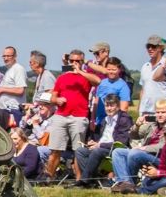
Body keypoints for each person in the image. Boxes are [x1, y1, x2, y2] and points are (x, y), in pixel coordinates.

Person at [45, 49, 97, 180]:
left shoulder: (85, 76)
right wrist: (56, 100)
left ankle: (79, 180)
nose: (74, 63)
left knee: (78, 151)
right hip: (61, 115)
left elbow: (97, 81)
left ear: (82, 62)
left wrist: (80, 71)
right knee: (55, 149)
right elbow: (52, 96)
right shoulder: (62, 77)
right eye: (71, 61)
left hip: (79, 116)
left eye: (77, 61)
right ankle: (48, 178)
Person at [69, 94, 132, 188]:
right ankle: (93, 180)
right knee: (80, 151)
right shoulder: (105, 120)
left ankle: (84, 181)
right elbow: (98, 137)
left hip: (114, 150)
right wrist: (92, 142)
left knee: (97, 151)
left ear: (118, 106)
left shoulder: (124, 119)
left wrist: (99, 145)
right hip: (101, 148)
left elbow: (121, 143)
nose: (109, 108)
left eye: (112, 105)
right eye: (107, 105)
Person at [110, 99, 166, 193]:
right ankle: (126, 183)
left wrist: (143, 148)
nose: (159, 115)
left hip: (161, 159)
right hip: (145, 154)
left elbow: (164, 145)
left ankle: (129, 184)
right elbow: (133, 135)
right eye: (157, 112)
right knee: (118, 152)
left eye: (163, 112)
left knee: (134, 153)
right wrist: (137, 125)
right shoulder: (153, 125)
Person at [139, 35, 166, 116]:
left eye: (153, 46)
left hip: (162, 113)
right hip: (145, 113)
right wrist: (140, 110)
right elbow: (143, 90)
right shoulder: (145, 66)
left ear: (160, 48)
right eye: (148, 46)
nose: (150, 49)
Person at [93, 57, 131, 126]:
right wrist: (92, 120)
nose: (111, 72)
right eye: (109, 69)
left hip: (114, 123)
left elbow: (124, 108)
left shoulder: (123, 86)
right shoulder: (102, 83)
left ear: (119, 70)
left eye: (114, 70)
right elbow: (96, 102)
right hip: (99, 122)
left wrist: (119, 124)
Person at [0, 46, 27, 123]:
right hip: (5, 110)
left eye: (8, 56)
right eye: (4, 56)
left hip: (13, 111)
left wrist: (2, 89)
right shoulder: (9, 70)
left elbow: (20, 90)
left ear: (15, 56)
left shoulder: (18, 69)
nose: (6, 58)